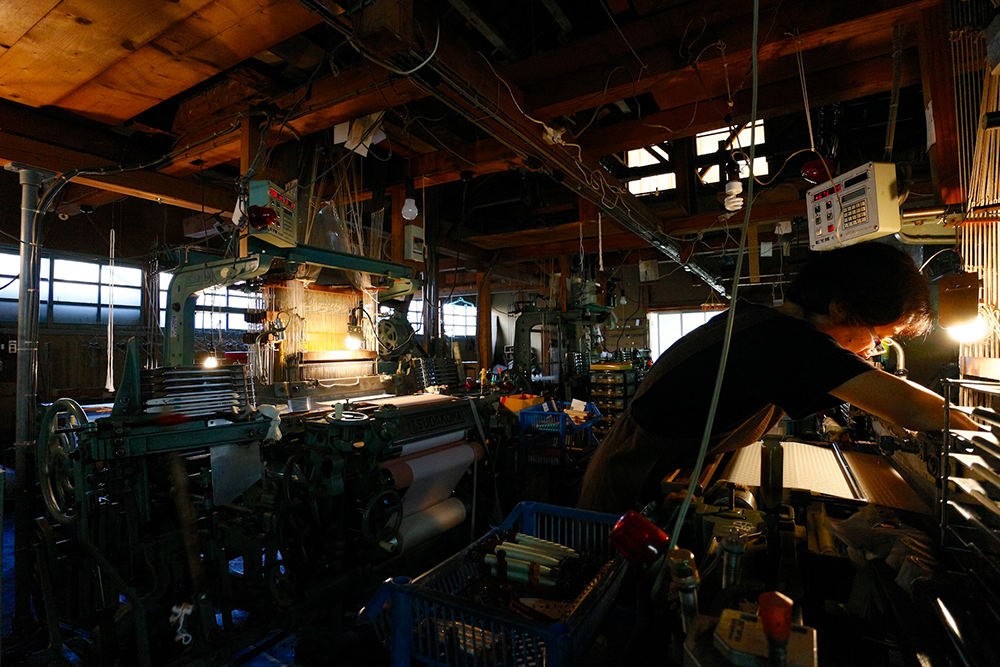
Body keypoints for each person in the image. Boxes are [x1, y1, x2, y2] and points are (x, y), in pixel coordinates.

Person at [578, 242, 980, 514]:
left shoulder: (769, 325)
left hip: (651, 464)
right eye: (878, 337)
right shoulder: (784, 342)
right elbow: (912, 408)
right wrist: (982, 435)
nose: (872, 350)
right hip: (632, 480)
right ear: (840, 308)